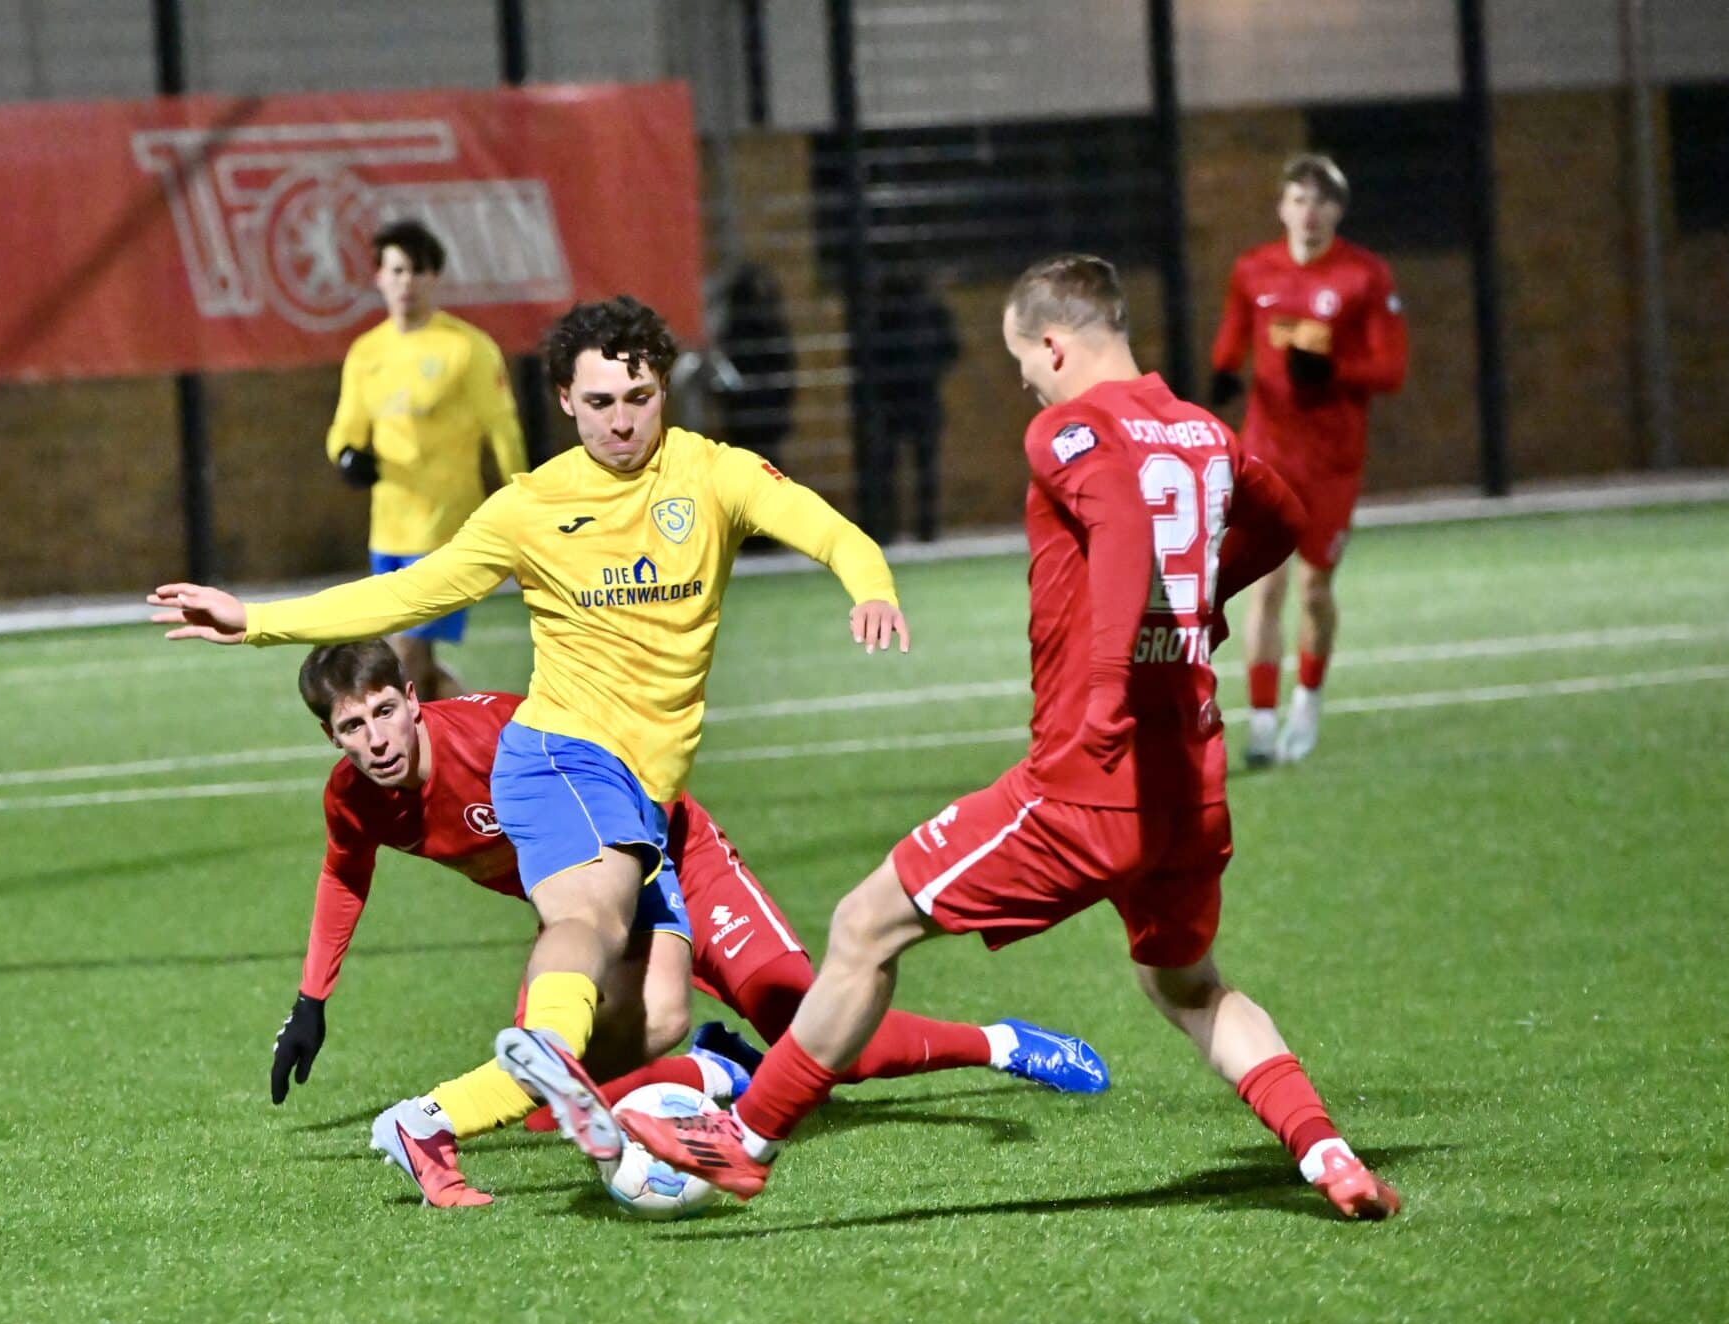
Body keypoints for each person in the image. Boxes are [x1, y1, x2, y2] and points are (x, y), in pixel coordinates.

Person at [621, 254, 1403, 1222]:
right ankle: (1324, 1153)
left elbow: (1119, 533)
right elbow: (1278, 518)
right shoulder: (1201, 430)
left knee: (866, 925)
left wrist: (1110, 689)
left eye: (1021, 363)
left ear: (1051, 342)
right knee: (1188, 987)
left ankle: (741, 1141)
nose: (1024, 385)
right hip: (1188, 784)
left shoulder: (1067, 429)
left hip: (1084, 783)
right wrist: (1194, 611)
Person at [151, 295, 911, 1171]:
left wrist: (872, 585)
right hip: (557, 752)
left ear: (664, 388)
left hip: (645, 789)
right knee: (588, 912)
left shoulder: (715, 475)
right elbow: (410, 594)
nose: (622, 421)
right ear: (563, 399)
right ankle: (544, 1048)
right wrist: (255, 620)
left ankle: (477, 1100)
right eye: (599, 403)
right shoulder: (532, 507)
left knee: (658, 1014)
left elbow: (830, 530)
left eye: (639, 398)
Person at [270, 639, 1108, 1207]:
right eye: (352, 727)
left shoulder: (500, 734)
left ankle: (1001, 1042)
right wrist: (312, 999)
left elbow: (629, 771)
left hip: (674, 853)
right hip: (595, 910)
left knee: (816, 1032)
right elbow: (344, 874)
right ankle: (712, 1070)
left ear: (413, 699)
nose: (375, 738)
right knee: (545, 1098)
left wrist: (643, 893)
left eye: (384, 711)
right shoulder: (354, 800)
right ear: (330, 735)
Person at [1207, 155, 1408, 765]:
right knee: (1264, 585)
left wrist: (1335, 371)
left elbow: (1392, 369)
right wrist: (1222, 372)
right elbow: (1234, 335)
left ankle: (1307, 703)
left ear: (1338, 211)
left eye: (1321, 202)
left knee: (1315, 589)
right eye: (1298, 200)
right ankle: (1262, 724)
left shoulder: (1365, 276)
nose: (1309, 213)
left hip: (1332, 460)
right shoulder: (1253, 270)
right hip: (1268, 452)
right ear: (1282, 207)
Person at [326, 220, 527, 700]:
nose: (406, 282)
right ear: (378, 276)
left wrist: (524, 499)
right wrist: (347, 456)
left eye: (417, 271)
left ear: (435, 278)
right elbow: (345, 430)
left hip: (446, 531)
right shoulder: (366, 353)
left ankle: (406, 771)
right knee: (421, 670)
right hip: (388, 530)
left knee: (403, 659)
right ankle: (480, 742)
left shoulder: (467, 349)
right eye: (396, 270)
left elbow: (503, 431)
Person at [874, 269, 961, 542]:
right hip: (915, 395)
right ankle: (923, 528)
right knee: (918, 465)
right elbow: (952, 348)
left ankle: (893, 529)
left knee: (896, 466)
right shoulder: (928, 309)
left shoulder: (883, 310)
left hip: (897, 397)